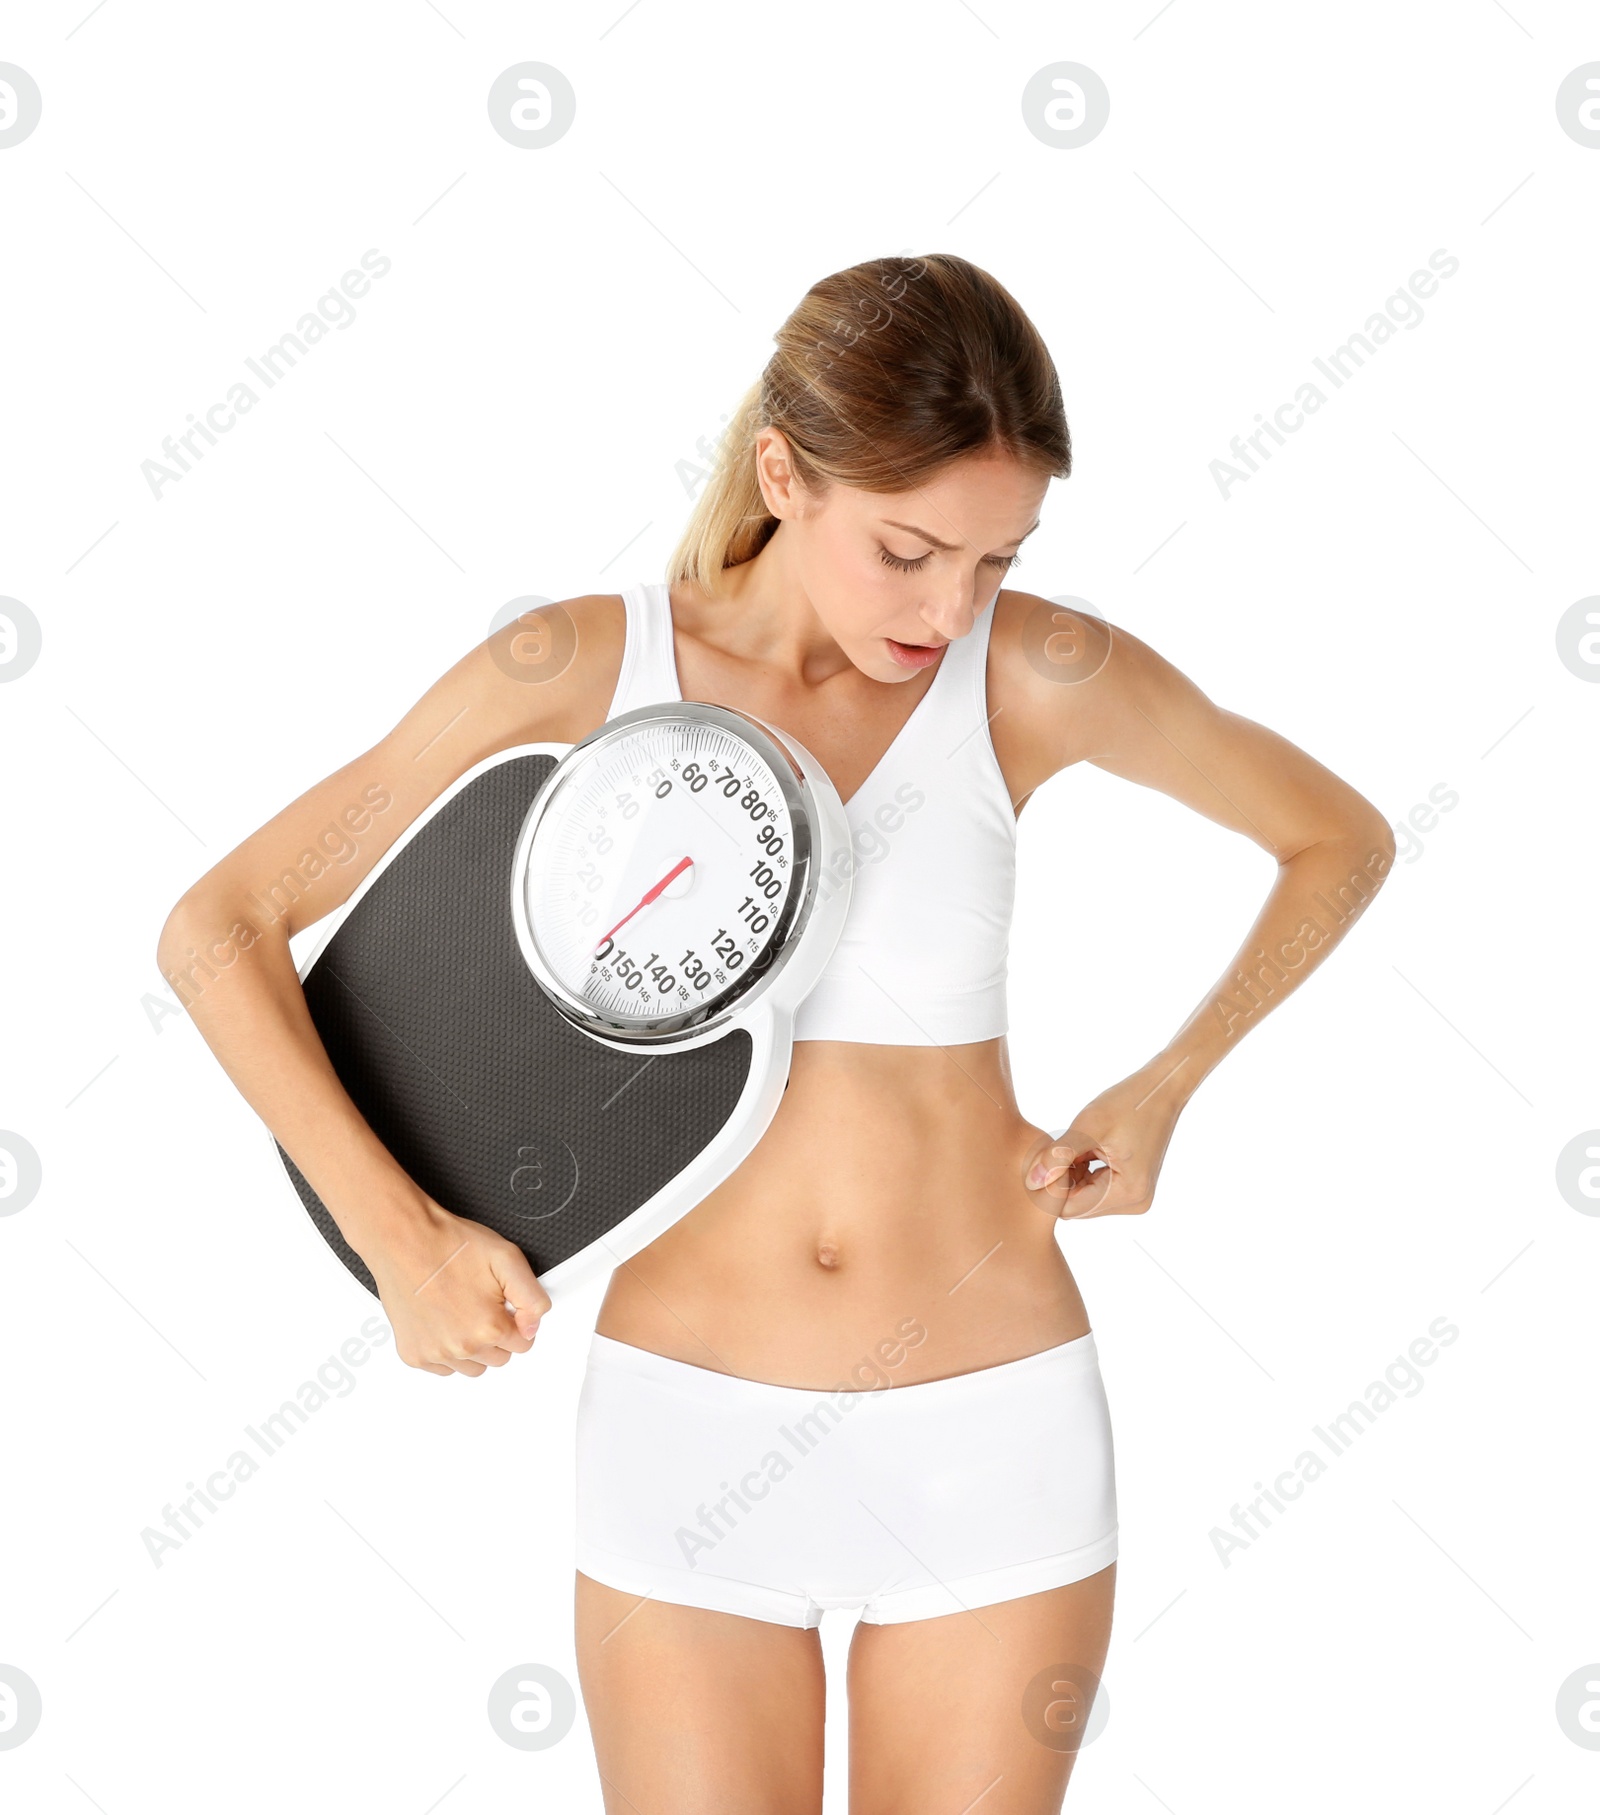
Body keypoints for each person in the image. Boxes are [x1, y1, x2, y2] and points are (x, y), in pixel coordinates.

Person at [158, 252, 1395, 1813]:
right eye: (909, 549)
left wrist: (1168, 1081)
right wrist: (397, 1240)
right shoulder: (584, 665)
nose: (951, 608)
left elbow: (1337, 842)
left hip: (989, 1429)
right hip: (683, 1436)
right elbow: (220, 930)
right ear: (782, 474)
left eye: (996, 559)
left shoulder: (1036, 676)